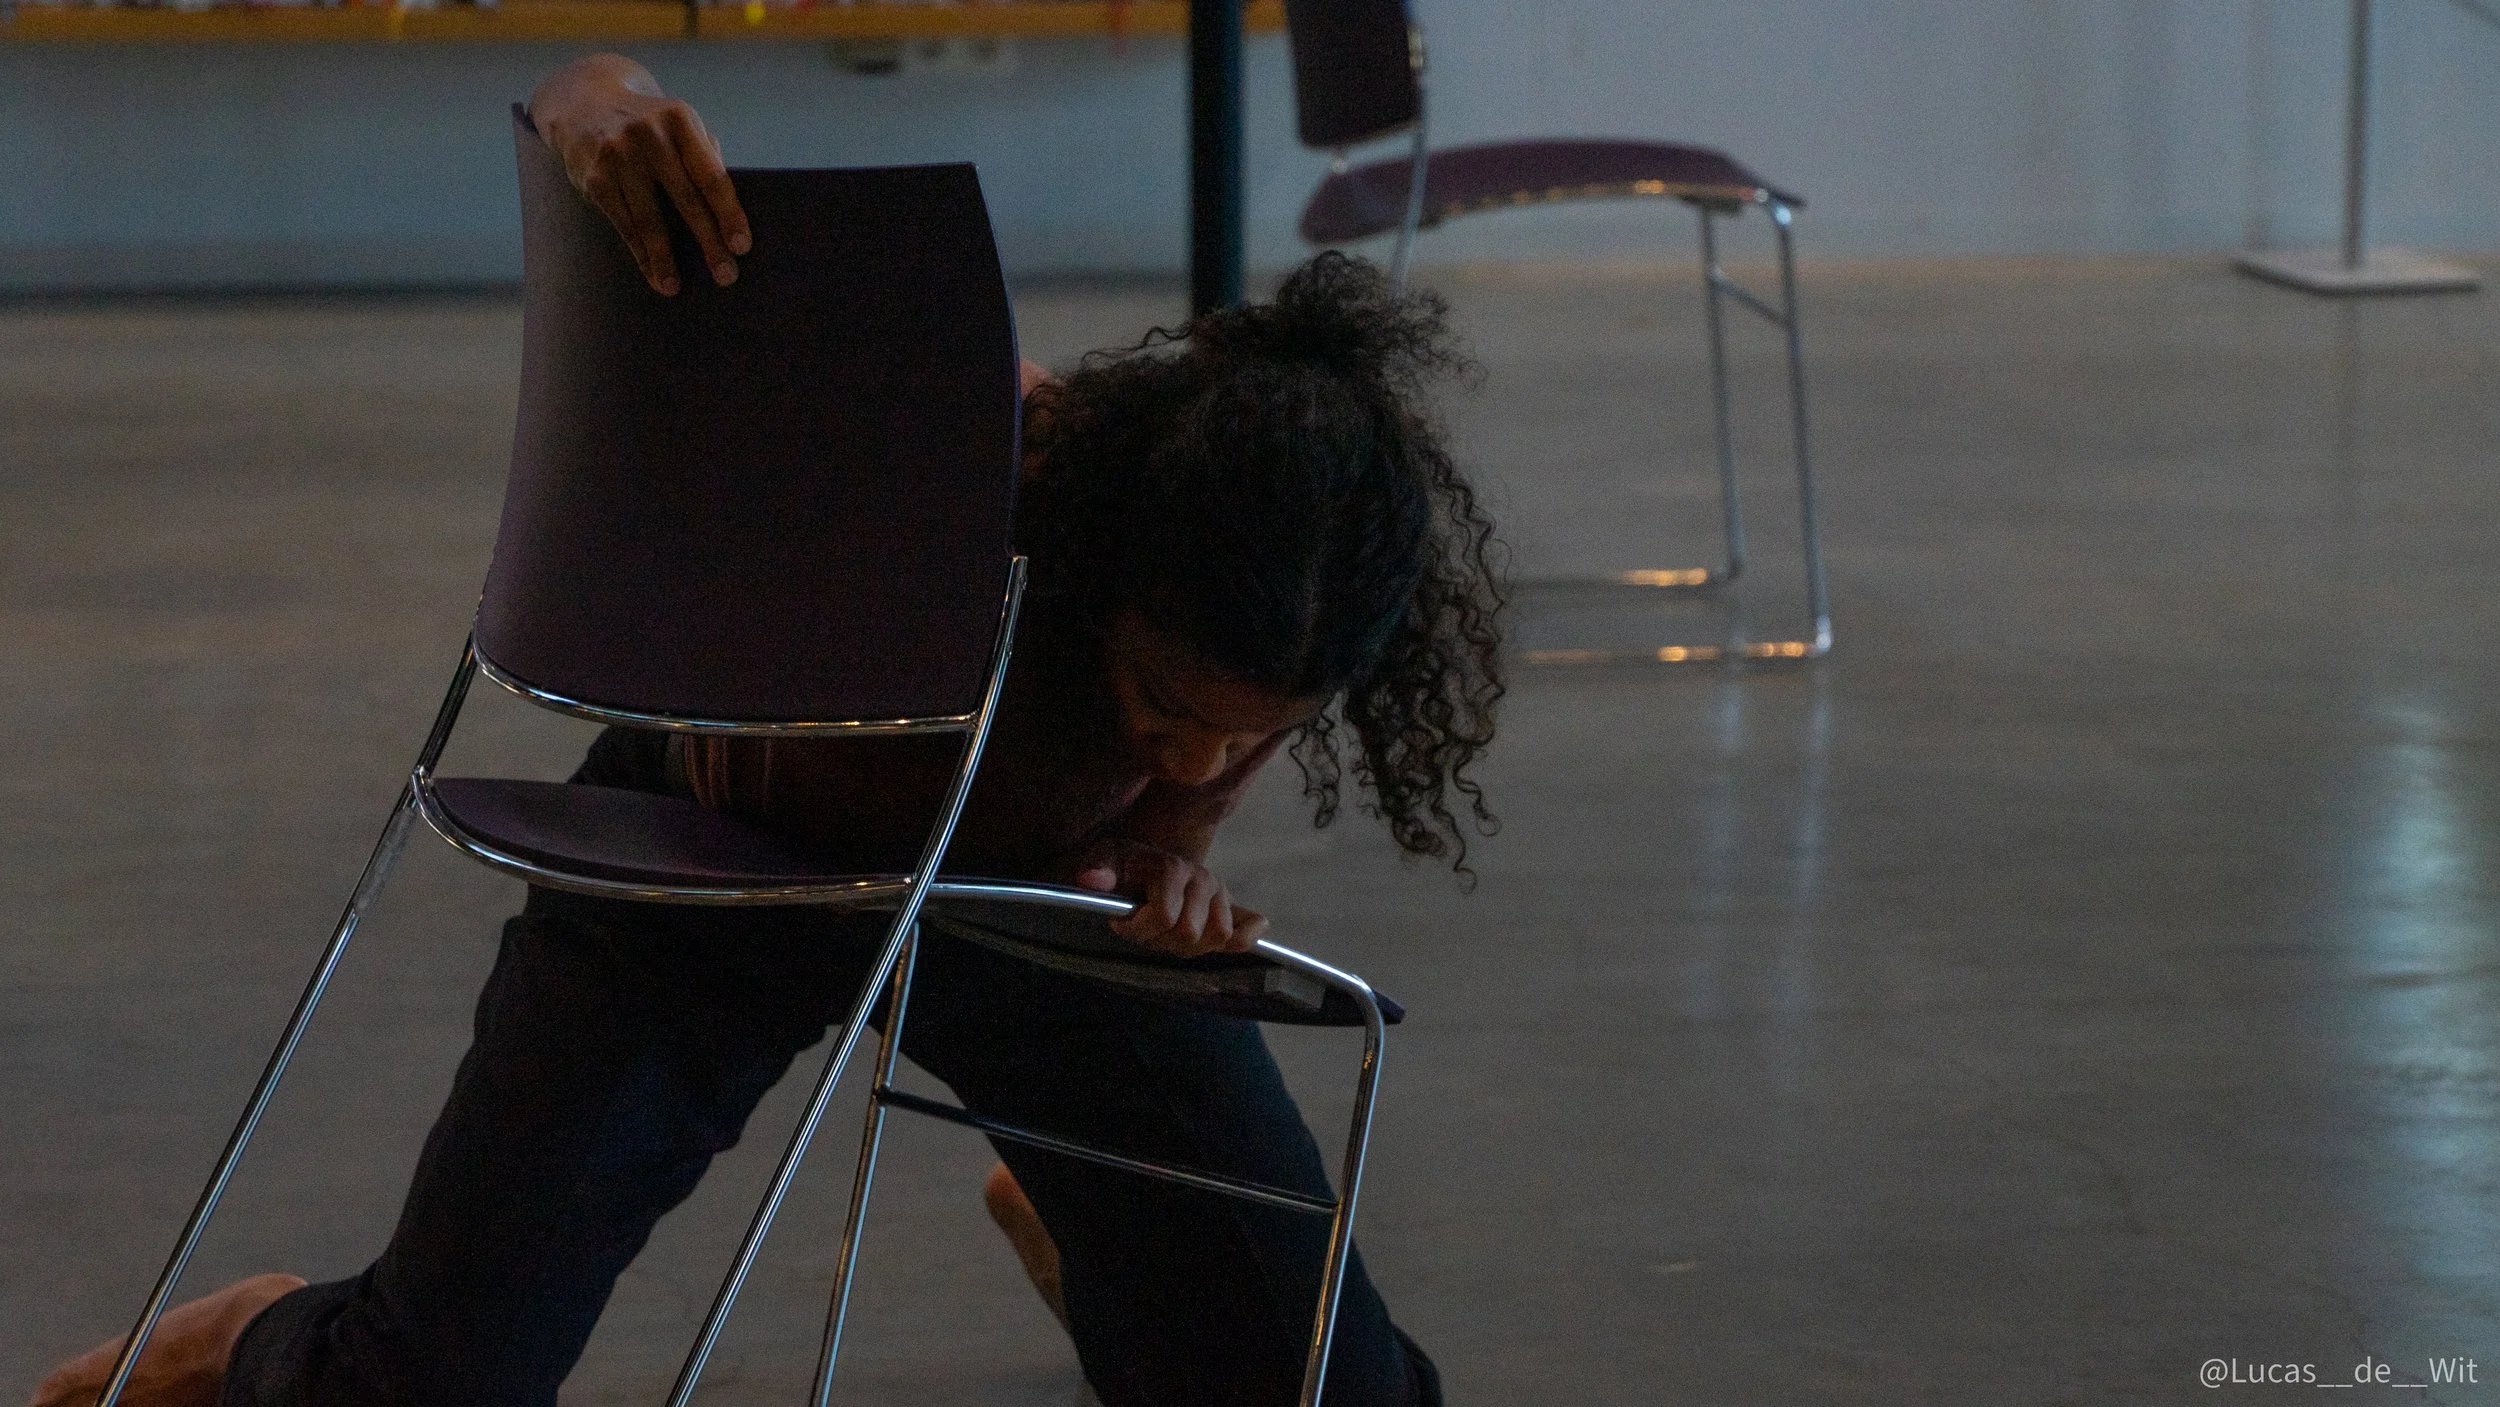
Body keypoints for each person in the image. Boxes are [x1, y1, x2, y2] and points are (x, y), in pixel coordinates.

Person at [35, 54, 1502, 1407]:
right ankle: (253, 1328)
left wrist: (1155, 874)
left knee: (1340, 1391)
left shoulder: (1276, 617)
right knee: (424, 1386)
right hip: (721, 859)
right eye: (1167, 710)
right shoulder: (950, 449)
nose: (1197, 757)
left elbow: (1138, 835)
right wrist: (596, 98)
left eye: (1248, 737)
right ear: (1110, 559)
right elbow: (594, 123)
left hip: (1014, 911)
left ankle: (1082, 1226)